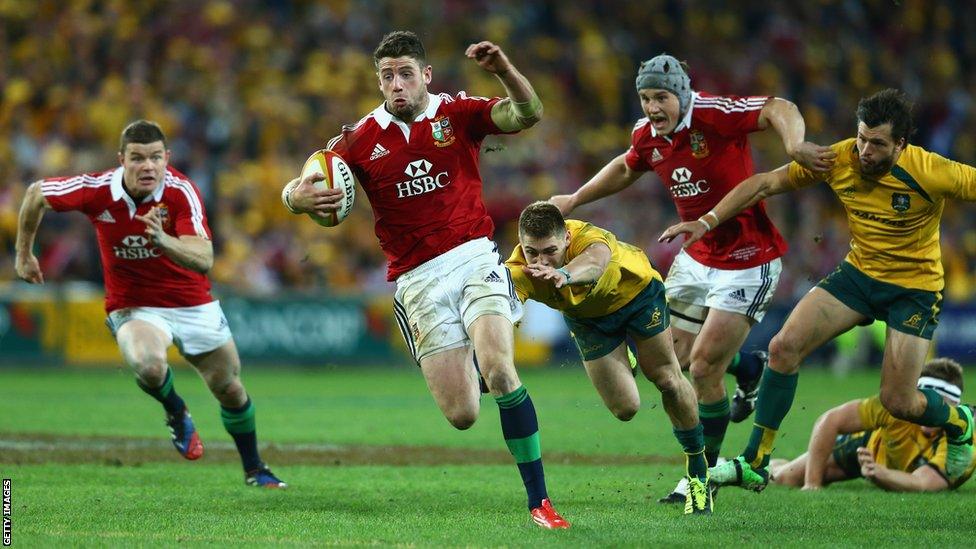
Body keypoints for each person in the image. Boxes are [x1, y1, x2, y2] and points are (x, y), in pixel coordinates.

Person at [280, 31, 568, 528]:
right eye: (387, 75)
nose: (397, 83)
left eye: (405, 73)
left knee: (500, 369)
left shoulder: (457, 114)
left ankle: (539, 502)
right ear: (379, 80)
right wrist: (294, 199)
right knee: (462, 414)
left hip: (475, 255)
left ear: (425, 75)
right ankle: (470, 353)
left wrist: (503, 69)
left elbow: (528, 113)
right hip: (417, 281)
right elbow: (306, 180)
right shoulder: (357, 139)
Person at [549, 53, 835, 502]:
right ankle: (749, 365)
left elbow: (780, 108)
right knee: (664, 361)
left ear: (681, 93)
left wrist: (795, 144)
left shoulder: (714, 114)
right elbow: (627, 167)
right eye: (645, 98)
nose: (652, 107)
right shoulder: (647, 136)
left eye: (660, 97)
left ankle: (703, 475)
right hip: (696, 256)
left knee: (702, 368)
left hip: (747, 258)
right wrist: (577, 197)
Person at [660, 88, 975, 491]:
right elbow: (763, 184)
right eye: (861, 137)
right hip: (858, 277)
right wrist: (705, 222)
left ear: (901, 144)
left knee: (899, 402)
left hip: (913, 290)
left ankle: (960, 420)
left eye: (877, 144)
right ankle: (757, 460)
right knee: (781, 348)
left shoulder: (933, 171)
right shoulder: (838, 159)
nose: (864, 150)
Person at [14, 120, 285, 488]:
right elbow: (36, 193)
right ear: (121, 160)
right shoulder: (96, 190)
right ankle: (176, 411)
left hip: (192, 303)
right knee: (150, 366)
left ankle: (255, 469)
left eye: (156, 157)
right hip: (134, 305)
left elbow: (204, 257)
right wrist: (24, 254)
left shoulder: (180, 191)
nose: (148, 167)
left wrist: (162, 240)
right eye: (138, 158)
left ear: (166, 158)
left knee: (230, 387)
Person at [506, 201, 714, 514]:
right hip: (587, 319)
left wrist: (564, 273)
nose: (540, 260)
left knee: (667, 379)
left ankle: (698, 473)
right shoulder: (520, 269)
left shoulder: (587, 237)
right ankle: (626, 359)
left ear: (565, 238)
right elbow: (500, 310)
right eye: (532, 252)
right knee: (625, 408)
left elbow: (595, 262)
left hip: (638, 296)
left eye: (549, 250)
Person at [769, 358, 976, 492]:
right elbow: (830, 420)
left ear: (953, 408)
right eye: (925, 405)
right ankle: (761, 465)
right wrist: (811, 485)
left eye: (940, 407)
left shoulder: (963, 440)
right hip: (867, 447)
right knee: (783, 478)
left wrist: (881, 474)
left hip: (880, 466)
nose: (930, 413)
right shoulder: (898, 407)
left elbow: (923, 483)